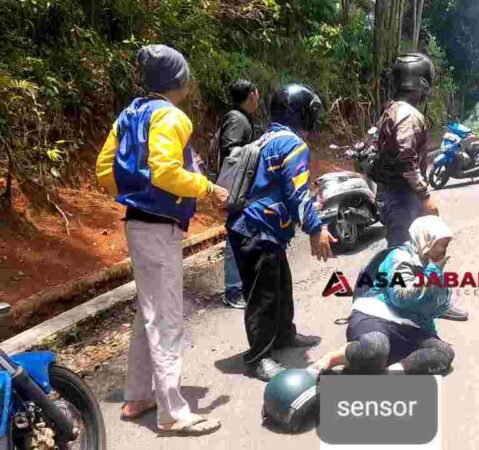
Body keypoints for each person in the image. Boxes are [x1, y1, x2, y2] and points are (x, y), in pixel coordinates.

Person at [95, 44, 226, 435]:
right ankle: (173, 412)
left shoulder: (129, 113)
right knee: (166, 316)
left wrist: (132, 190)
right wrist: (207, 188)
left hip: (138, 223)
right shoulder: (171, 117)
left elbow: (104, 169)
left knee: (147, 311)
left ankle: (138, 396)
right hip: (160, 227)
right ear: (178, 80)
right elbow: (166, 171)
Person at [227, 83, 337, 382]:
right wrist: (316, 229)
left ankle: (285, 335)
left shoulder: (266, 138)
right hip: (257, 228)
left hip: (257, 227)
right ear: (300, 112)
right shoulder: (293, 145)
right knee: (262, 296)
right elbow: (296, 192)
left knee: (280, 285)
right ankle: (260, 357)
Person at [372, 53, 468, 322]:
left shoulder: (392, 109)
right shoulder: (409, 114)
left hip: (394, 194)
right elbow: (405, 156)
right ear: (421, 83)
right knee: (411, 251)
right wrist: (425, 194)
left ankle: (431, 300)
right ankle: (408, 308)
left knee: (410, 250)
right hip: (403, 196)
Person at [309, 216, 455, 376]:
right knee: (375, 347)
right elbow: (402, 297)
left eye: (446, 246)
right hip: (376, 316)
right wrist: (431, 274)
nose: (444, 251)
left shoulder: (430, 265)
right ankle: (331, 359)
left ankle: (387, 374)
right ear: (426, 240)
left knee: (443, 353)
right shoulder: (401, 257)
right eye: (440, 245)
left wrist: (433, 336)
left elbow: (427, 309)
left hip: (407, 325)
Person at [218, 79, 260, 309]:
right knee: (235, 232)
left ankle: (241, 284)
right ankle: (232, 290)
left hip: (243, 185)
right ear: (252, 94)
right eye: (257, 92)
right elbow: (231, 151)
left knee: (243, 231)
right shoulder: (236, 118)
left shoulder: (242, 117)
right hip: (237, 185)